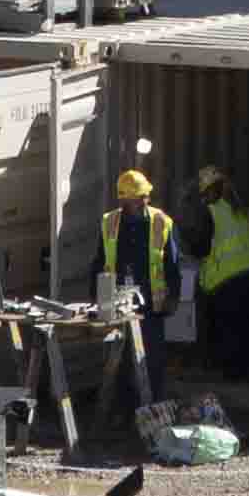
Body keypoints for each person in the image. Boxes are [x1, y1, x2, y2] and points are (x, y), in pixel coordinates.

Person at [90, 164, 186, 452]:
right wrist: (96, 300)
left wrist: (173, 297)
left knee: (151, 363)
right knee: (118, 363)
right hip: (118, 305)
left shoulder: (161, 222)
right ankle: (123, 416)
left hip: (151, 307)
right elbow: (98, 263)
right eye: (139, 197)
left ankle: (154, 419)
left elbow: (173, 263)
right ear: (125, 200)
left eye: (146, 196)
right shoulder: (110, 223)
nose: (145, 200)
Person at [193, 172, 249, 386]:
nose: (204, 198)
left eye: (205, 193)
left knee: (230, 326)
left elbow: (201, 248)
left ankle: (235, 374)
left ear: (213, 190)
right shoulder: (246, 207)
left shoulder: (211, 211)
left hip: (230, 277)